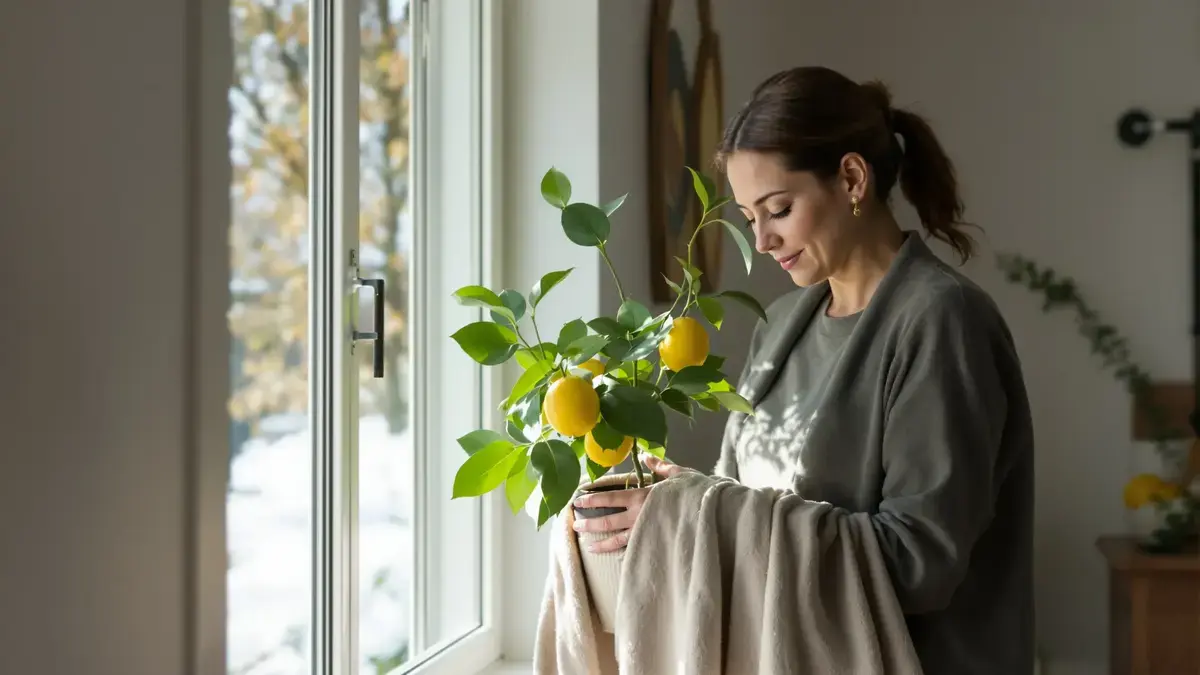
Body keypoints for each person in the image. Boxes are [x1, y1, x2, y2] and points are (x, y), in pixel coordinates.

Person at [571, 65, 1035, 675]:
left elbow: (919, 566)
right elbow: (741, 503)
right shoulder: (783, 323)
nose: (761, 241)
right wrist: (680, 500)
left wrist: (702, 513)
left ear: (850, 178)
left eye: (779, 209)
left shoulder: (942, 321)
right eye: (748, 218)